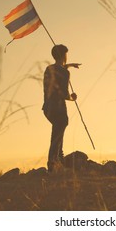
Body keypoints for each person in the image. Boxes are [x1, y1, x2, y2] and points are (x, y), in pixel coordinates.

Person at [42, 44, 80, 172]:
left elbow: (57, 71)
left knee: (58, 130)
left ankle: (58, 160)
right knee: (58, 132)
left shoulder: (49, 68)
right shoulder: (64, 72)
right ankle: (53, 162)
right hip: (58, 108)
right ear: (64, 55)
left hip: (47, 107)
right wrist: (72, 98)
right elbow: (64, 93)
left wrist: (67, 66)